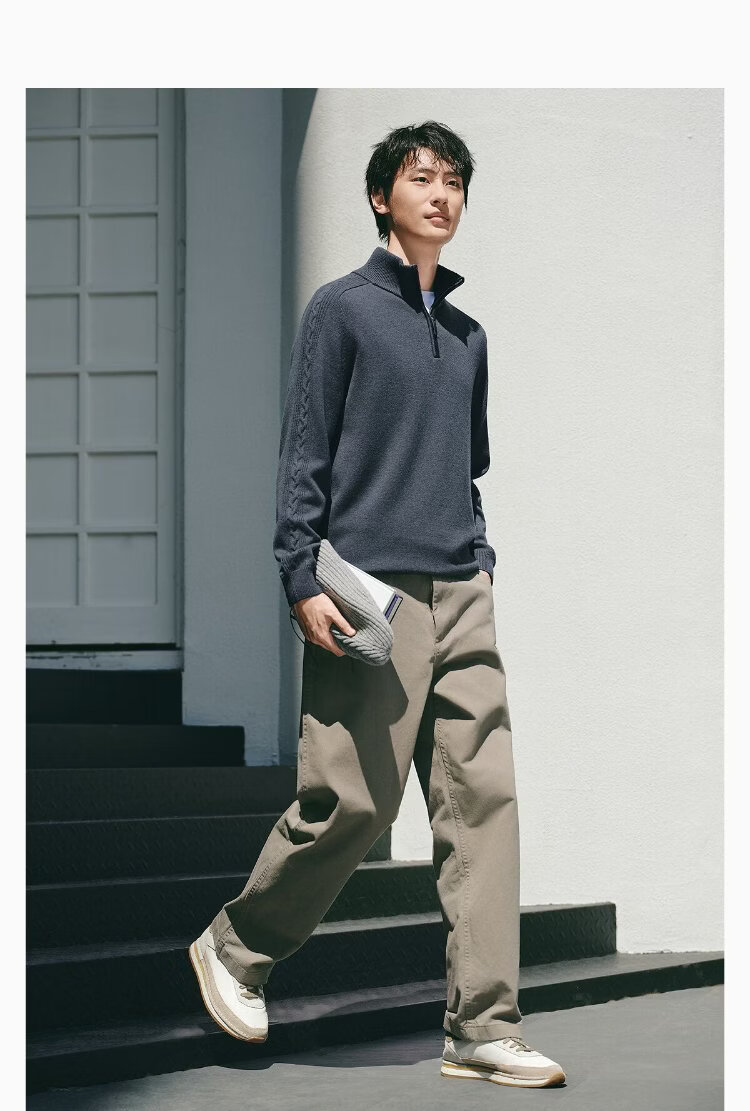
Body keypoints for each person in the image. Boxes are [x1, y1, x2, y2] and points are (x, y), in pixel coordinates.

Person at [189, 120, 566, 1089]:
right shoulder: (342, 311)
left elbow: (466, 470)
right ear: (380, 197)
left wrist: (480, 562)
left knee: (484, 804)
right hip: (370, 594)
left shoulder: (469, 338)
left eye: (454, 182)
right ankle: (235, 945)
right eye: (421, 177)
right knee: (351, 801)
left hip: (462, 589)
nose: (441, 195)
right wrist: (298, 573)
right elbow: (304, 453)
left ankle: (483, 1024)